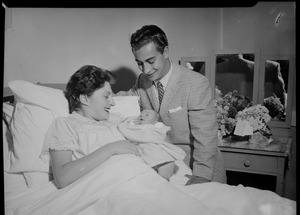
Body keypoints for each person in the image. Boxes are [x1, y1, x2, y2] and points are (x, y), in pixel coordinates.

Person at [116, 25, 226, 185]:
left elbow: (206, 136)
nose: (146, 70)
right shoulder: (142, 81)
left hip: (198, 168)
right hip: (167, 169)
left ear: (165, 52)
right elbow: (124, 101)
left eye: (150, 61)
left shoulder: (196, 83)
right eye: (139, 63)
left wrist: (201, 176)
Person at [40, 65, 142, 188]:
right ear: (85, 98)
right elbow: (63, 177)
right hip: (106, 187)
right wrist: (111, 149)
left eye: (112, 96)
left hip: (137, 176)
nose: (113, 102)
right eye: (106, 96)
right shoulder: (66, 125)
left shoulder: (117, 119)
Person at [118, 109, 186, 181]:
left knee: (160, 153)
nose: (142, 116)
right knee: (149, 151)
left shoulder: (157, 127)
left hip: (155, 144)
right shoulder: (135, 126)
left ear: (155, 121)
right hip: (143, 145)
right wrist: (131, 121)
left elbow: (162, 135)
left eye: (147, 115)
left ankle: (165, 167)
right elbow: (125, 129)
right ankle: (160, 171)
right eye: (141, 115)